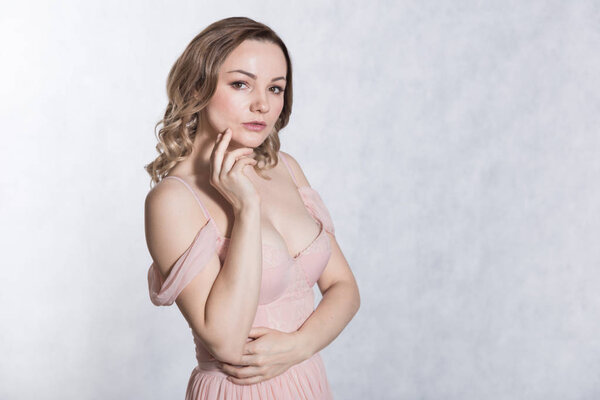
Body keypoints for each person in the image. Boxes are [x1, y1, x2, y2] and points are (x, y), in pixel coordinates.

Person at [144, 16, 360, 400]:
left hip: (307, 381)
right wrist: (246, 208)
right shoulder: (173, 199)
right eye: (241, 84)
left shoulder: (287, 168)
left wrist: (299, 347)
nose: (262, 104)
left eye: (276, 88)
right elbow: (226, 342)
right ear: (199, 87)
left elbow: (344, 288)